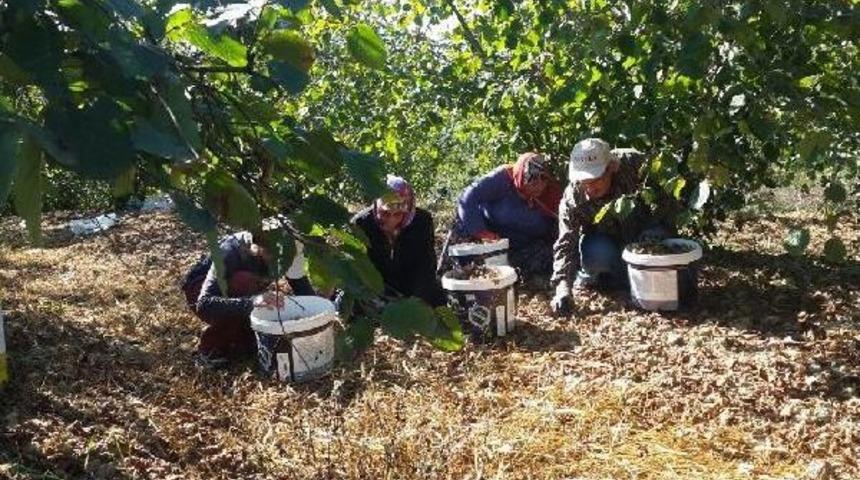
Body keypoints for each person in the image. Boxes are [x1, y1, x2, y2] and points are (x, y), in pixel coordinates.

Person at [550, 138, 672, 316]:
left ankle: (642, 277)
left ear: (611, 168)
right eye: (584, 181)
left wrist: (656, 231)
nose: (589, 187)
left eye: (595, 179)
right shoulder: (573, 197)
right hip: (607, 243)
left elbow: (666, 199)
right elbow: (565, 243)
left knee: (659, 239)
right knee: (596, 254)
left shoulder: (636, 164)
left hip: (645, 234)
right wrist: (562, 288)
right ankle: (615, 277)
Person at [181, 225, 314, 368]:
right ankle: (210, 348)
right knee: (244, 281)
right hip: (200, 291)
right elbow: (205, 304)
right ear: (258, 245)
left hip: (242, 295)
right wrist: (253, 302)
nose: (280, 262)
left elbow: (304, 291)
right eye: (273, 255)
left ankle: (237, 334)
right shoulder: (230, 252)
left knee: (251, 343)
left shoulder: (290, 249)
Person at [442, 152, 563, 280]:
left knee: (550, 255)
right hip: (486, 238)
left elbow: (562, 224)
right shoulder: (503, 178)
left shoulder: (551, 195)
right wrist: (480, 231)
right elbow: (467, 198)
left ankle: (516, 278)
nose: (538, 185)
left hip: (519, 246)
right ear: (522, 175)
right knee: (462, 228)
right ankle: (447, 278)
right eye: (533, 179)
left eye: (543, 179)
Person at [351, 175, 445, 307]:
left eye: (398, 214)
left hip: (412, 286)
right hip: (376, 289)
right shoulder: (361, 224)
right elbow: (358, 268)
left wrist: (415, 302)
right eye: (385, 214)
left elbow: (426, 265)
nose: (391, 221)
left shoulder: (422, 221)